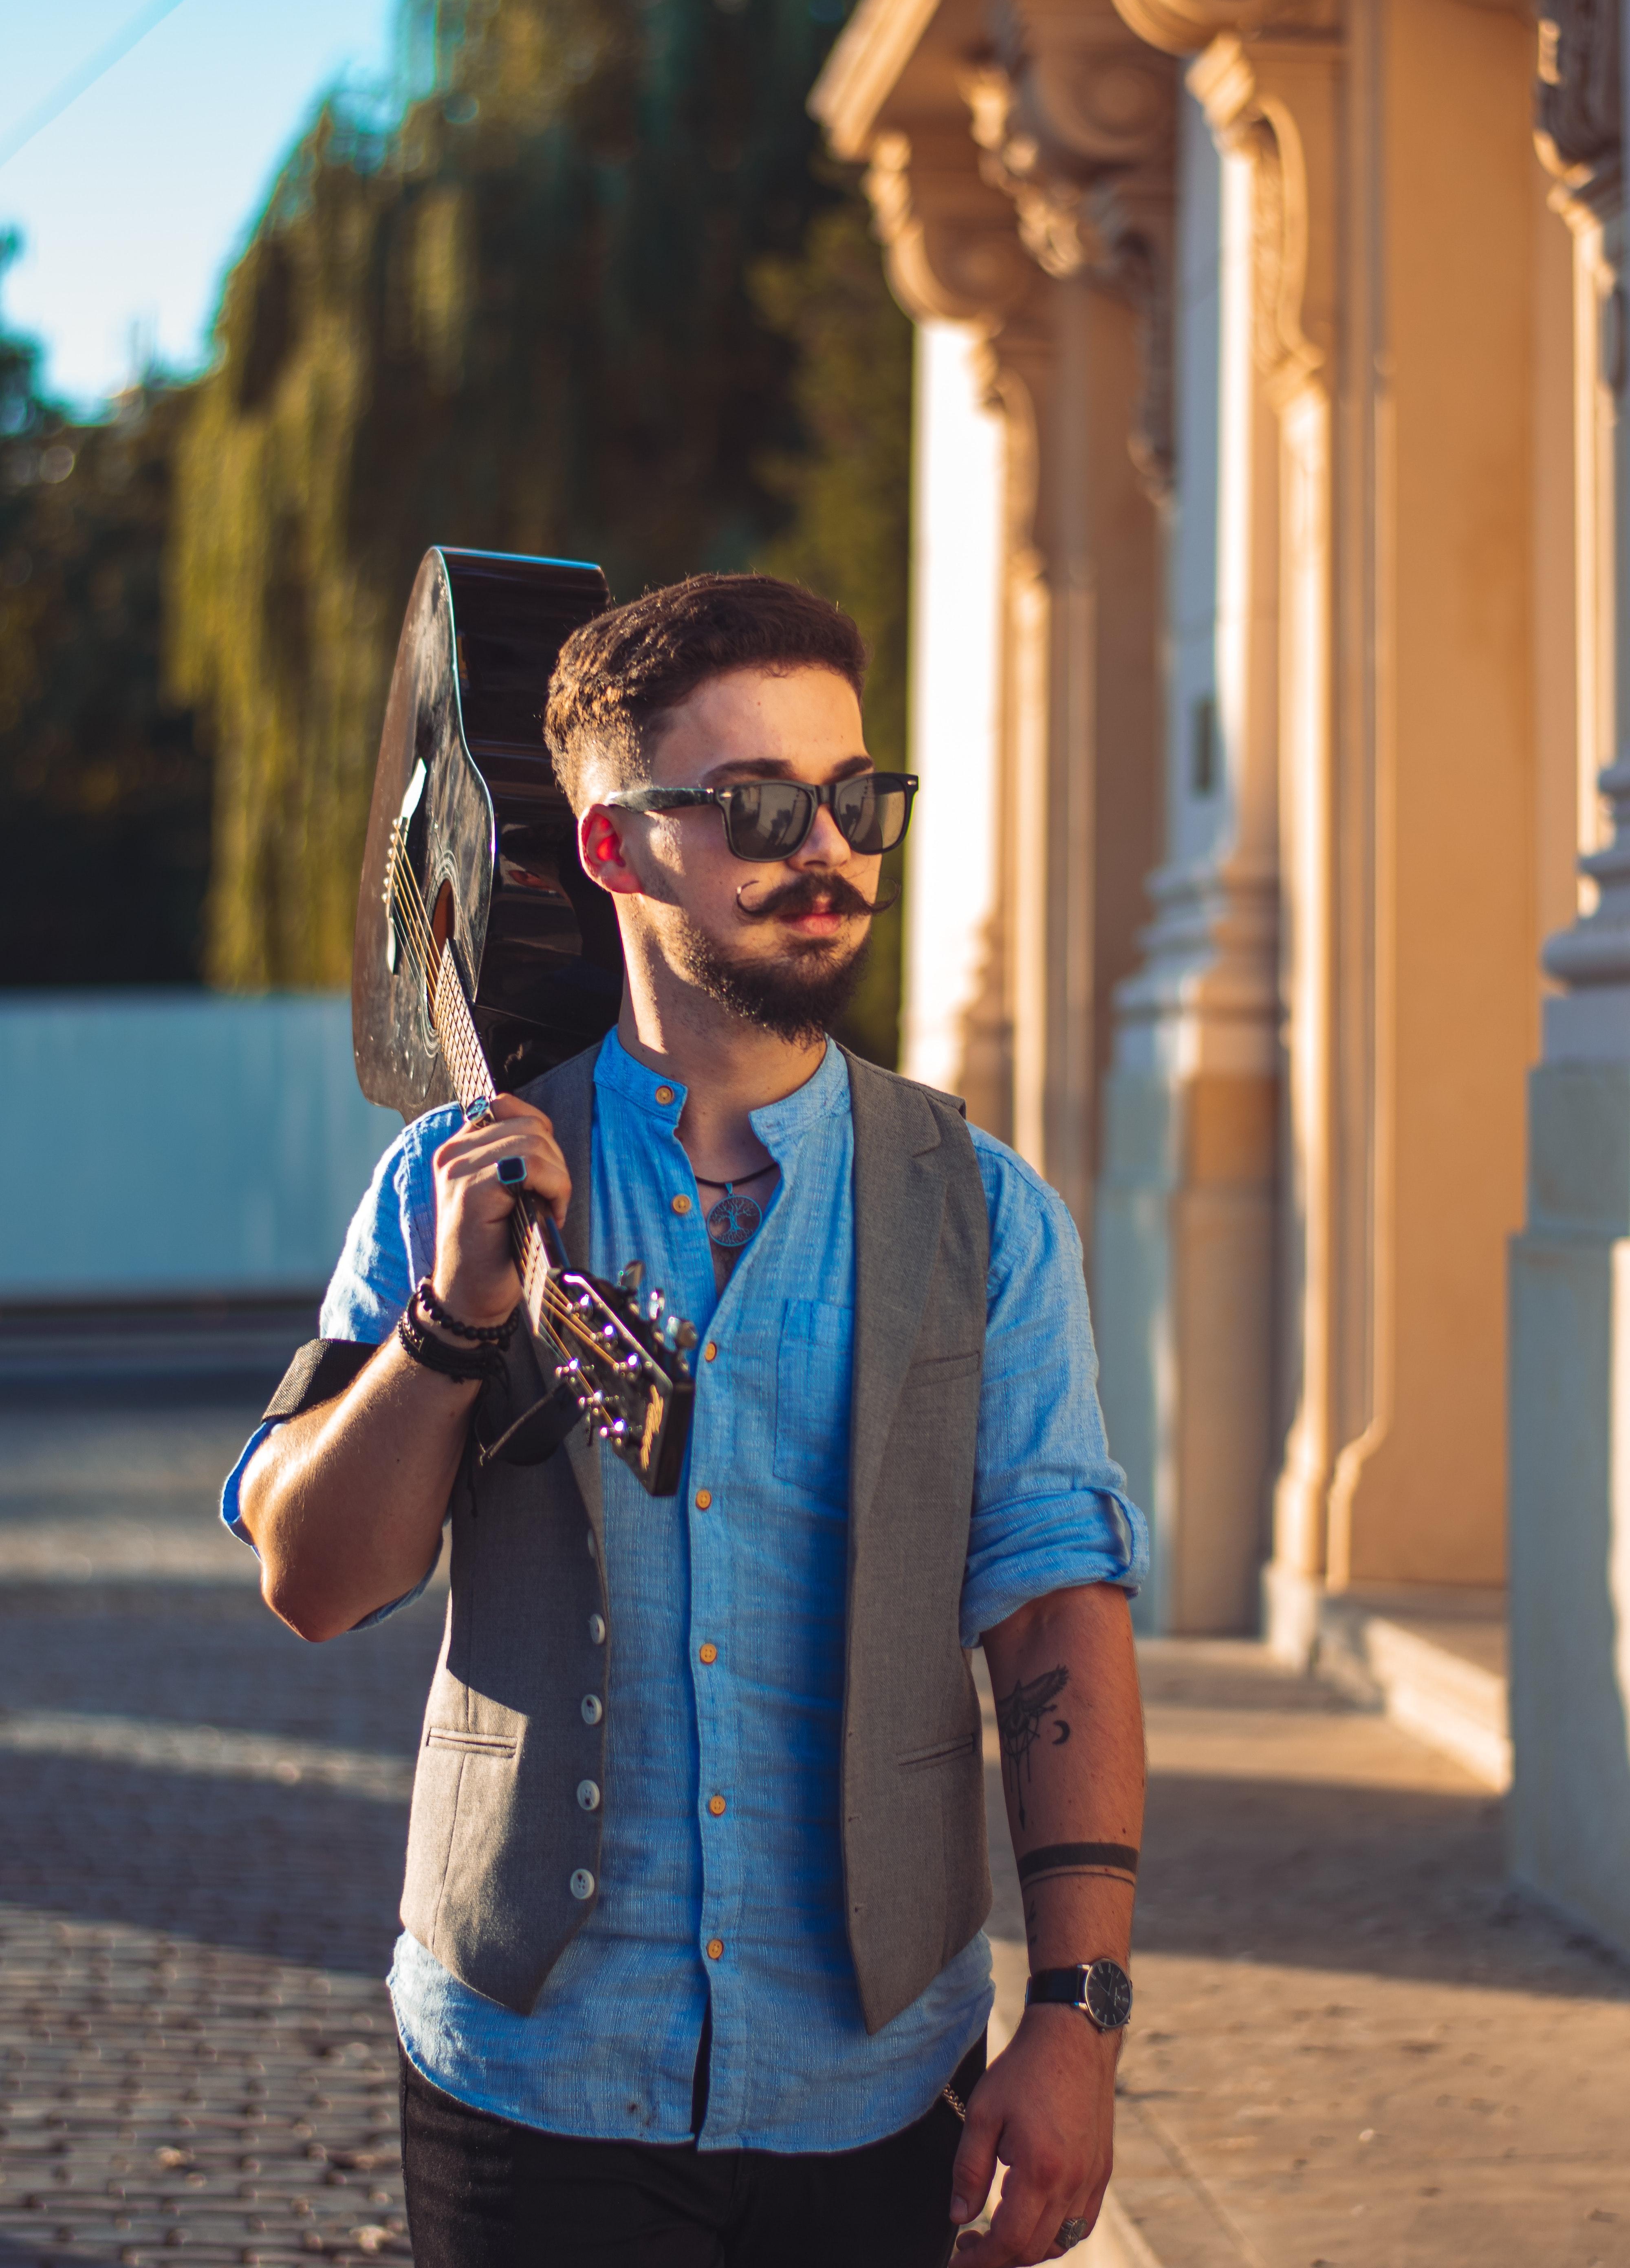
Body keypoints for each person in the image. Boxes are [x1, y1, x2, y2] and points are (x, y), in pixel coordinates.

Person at [225, 573, 1148, 2268]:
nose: (830, 850)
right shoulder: (456, 1181)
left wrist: (1077, 2016)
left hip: (873, 2085)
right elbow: (315, 1579)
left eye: (855, 801)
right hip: (531, 2073)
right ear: (612, 852)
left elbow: (1049, 1615)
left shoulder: (986, 1213)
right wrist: (451, 1321)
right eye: (760, 810)